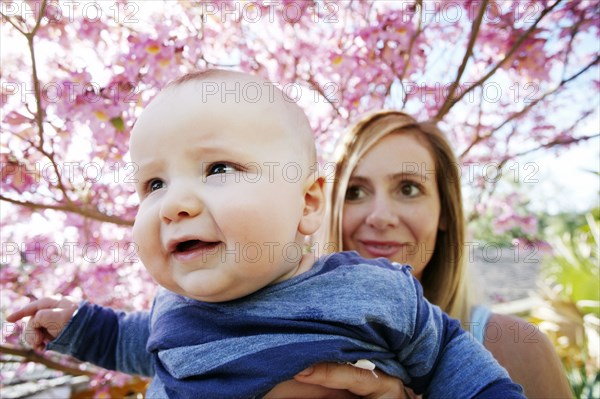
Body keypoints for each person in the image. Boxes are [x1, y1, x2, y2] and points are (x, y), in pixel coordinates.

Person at [6, 70, 526, 399]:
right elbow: (137, 342)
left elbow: (448, 357)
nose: (174, 204)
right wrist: (79, 326)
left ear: (305, 202)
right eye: (154, 183)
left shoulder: (373, 292)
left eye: (217, 169)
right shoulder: (172, 309)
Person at [294, 110, 573, 398]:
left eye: (408, 188)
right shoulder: (283, 349)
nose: (380, 217)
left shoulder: (518, 350)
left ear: (444, 213)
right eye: (355, 192)